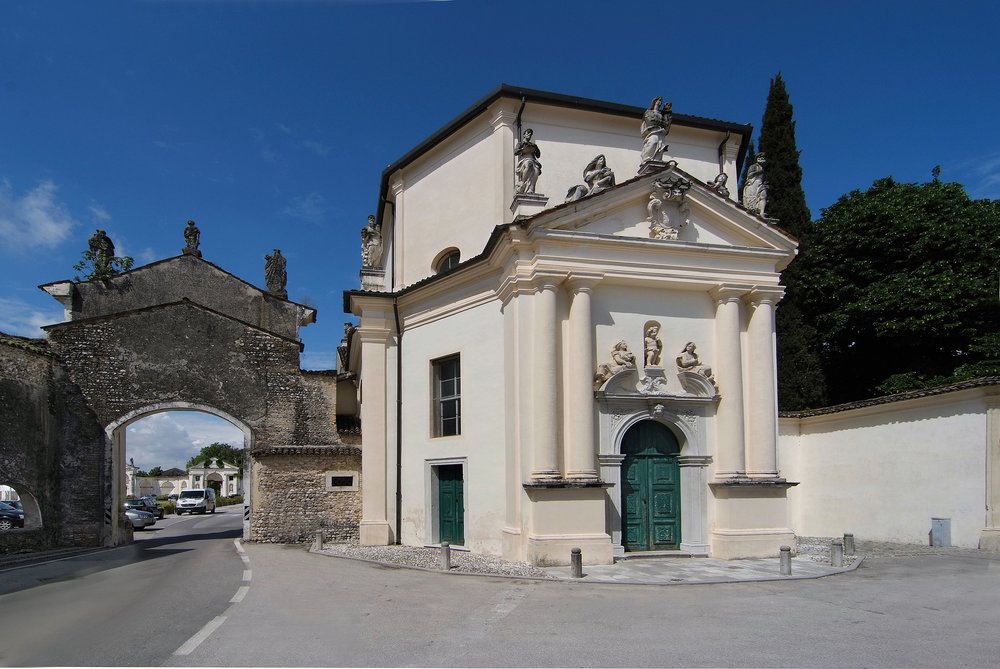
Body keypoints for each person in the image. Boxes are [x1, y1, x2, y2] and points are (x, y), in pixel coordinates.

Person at [640, 97, 671, 163]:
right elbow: (649, 120)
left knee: (659, 145)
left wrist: (667, 112)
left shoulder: (660, 114)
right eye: (658, 100)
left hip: (660, 132)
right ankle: (646, 158)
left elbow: (665, 123)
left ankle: (657, 159)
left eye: (661, 101)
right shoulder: (649, 112)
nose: (659, 102)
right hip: (652, 131)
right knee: (653, 142)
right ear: (654, 101)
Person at [514, 128, 542, 195]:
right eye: (528, 133)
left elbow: (538, 155)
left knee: (536, 171)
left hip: (532, 160)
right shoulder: (520, 143)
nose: (529, 134)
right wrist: (523, 149)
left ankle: (531, 189)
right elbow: (515, 152)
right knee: (528, 164)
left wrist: (536, 148)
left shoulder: (533, 145)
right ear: (524, 135)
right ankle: (522, 183)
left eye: (530, 134)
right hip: (524, 160)